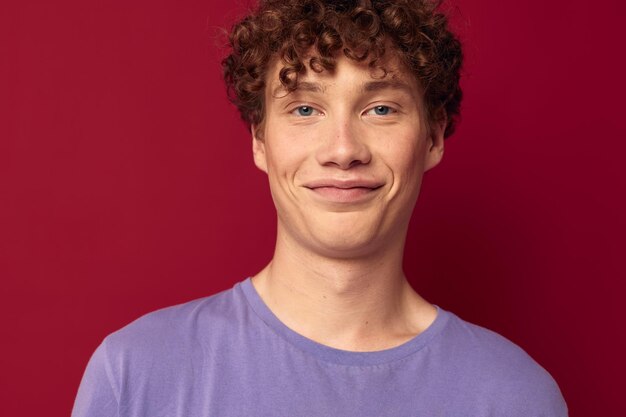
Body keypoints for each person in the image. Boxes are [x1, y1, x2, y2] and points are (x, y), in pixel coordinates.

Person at [72, 0, 568, 416]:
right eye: (305, 108)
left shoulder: (515, 396)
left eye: (381, 109)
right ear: (260, 141)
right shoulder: (135, 374)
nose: (343, 149)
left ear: (433, 136)